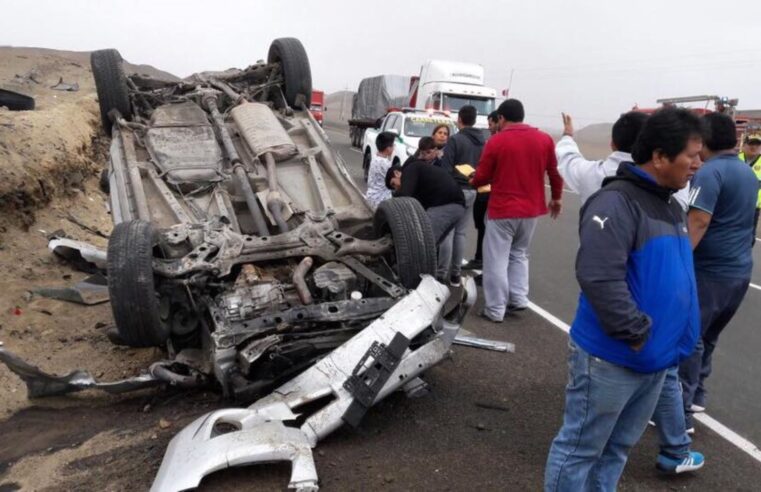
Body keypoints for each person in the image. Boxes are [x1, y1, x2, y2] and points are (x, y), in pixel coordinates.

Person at [544, 108, 703, 491]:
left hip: (655, 357)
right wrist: (635, 332)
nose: (699, 163)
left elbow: (678, 275)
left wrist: (680, 336)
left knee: (618, 448)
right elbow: (599, 277)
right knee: (581, 449)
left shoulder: (670, 204)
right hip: (612, 357)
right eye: (692, 155)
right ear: (660, 157)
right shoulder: (615, 202)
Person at [679, 113, 757, 431]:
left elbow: (698, 221)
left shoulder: (710, 173)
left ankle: (678, 413)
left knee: (690, 338)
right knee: (708, 338)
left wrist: (679, 262)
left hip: (710, 271)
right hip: (738, 272)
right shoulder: (746, 172)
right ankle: (697, 395)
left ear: (705, 140)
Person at [470, 99, 562, 321]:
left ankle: (495, 309)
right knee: (519, 254)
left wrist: (473, 179)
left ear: (501, 118)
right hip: (531, 210)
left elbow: (482, 176)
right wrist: (557, 198)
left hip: (503, 209)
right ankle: (519, 298)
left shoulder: (497, 141)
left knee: (496, 259)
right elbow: (554, 172)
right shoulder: (544, 139)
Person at [436, 105, 486, 286]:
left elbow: (446, 169)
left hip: (455, 190)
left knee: (447, 233)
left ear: (460, 120)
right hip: (473, 190)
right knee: (461, 233)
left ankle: (441, 274)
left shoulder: (456, 140)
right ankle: (456, 274)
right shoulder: (483, 141)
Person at [386, 137, 466, 246]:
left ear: (397, 173)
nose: (395, 188)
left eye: (393, 184)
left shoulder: (411, 168)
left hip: (447, 205)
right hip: (456, 206)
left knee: (423, 243)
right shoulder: (419, 172)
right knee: (431, 248)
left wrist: (390, 204)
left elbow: (404, 196)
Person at [466, 111, 500, 272]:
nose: (489, 127)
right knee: (482, 226)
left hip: (488, 191)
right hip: (486, 189)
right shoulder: (490, 140)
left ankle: (486, 265)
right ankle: (480, 258)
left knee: (487, 229)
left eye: (491, 123)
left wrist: (476, 179)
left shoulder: (495, 142)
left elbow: (488, 168)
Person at [738, 132, 761, 243]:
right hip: (733, 204)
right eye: (751, 143)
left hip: (754, 208)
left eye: (757, 144)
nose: (754, 147)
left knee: (750, 238)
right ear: (744, 145)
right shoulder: (735, 159)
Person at [365, 131, 396, 210]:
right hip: (381, 200)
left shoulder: (375, 157)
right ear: (388, 148)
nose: (394, 148)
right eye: (393, 146)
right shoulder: (386, 164)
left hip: (371, 196)